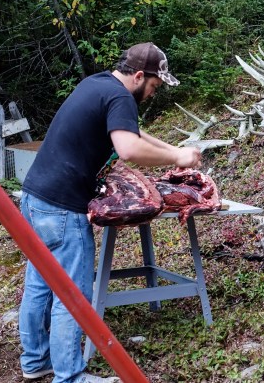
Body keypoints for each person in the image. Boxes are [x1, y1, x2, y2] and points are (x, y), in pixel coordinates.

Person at [18, 43, 201, 382]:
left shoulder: (99, 83)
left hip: (34, 197)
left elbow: (133, 132)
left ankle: (34, 362)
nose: (152, 94)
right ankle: (70, 376)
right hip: (62, 206)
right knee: (72, 293)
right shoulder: (120, 97)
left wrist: (173, 149)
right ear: (138, 76)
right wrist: (178, 159)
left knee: (40, 283)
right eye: (154, 86)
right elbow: (128, 147)